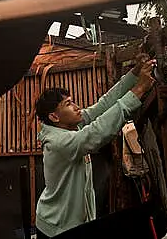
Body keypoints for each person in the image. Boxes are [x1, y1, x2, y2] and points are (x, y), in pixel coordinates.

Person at [34, 54, 155, 238]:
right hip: (57, 229)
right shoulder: (60, 143)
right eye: (68, 104)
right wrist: (138, 90)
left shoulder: (70, 127)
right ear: (54, 117)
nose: (76, 107)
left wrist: (134, 73)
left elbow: (105, 104)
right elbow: (97, 133)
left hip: (72, 223)